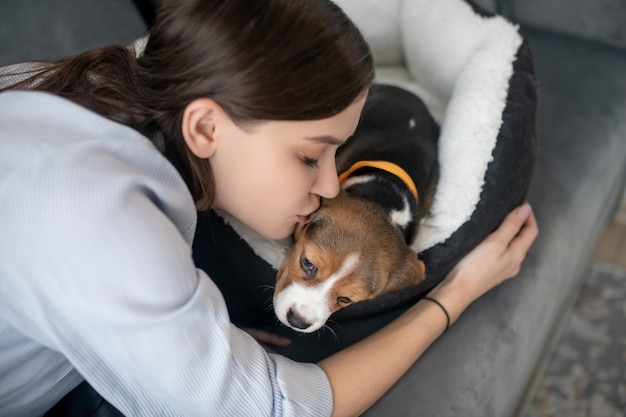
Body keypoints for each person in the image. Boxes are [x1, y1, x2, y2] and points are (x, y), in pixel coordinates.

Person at [0, 0, 538, 416]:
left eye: (336, 153)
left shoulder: (67, 93)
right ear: (206, 126)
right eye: (310, 155)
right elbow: (278, 408)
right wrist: (453, 295)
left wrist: (190, 329)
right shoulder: (100, 217)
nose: (331, 186)